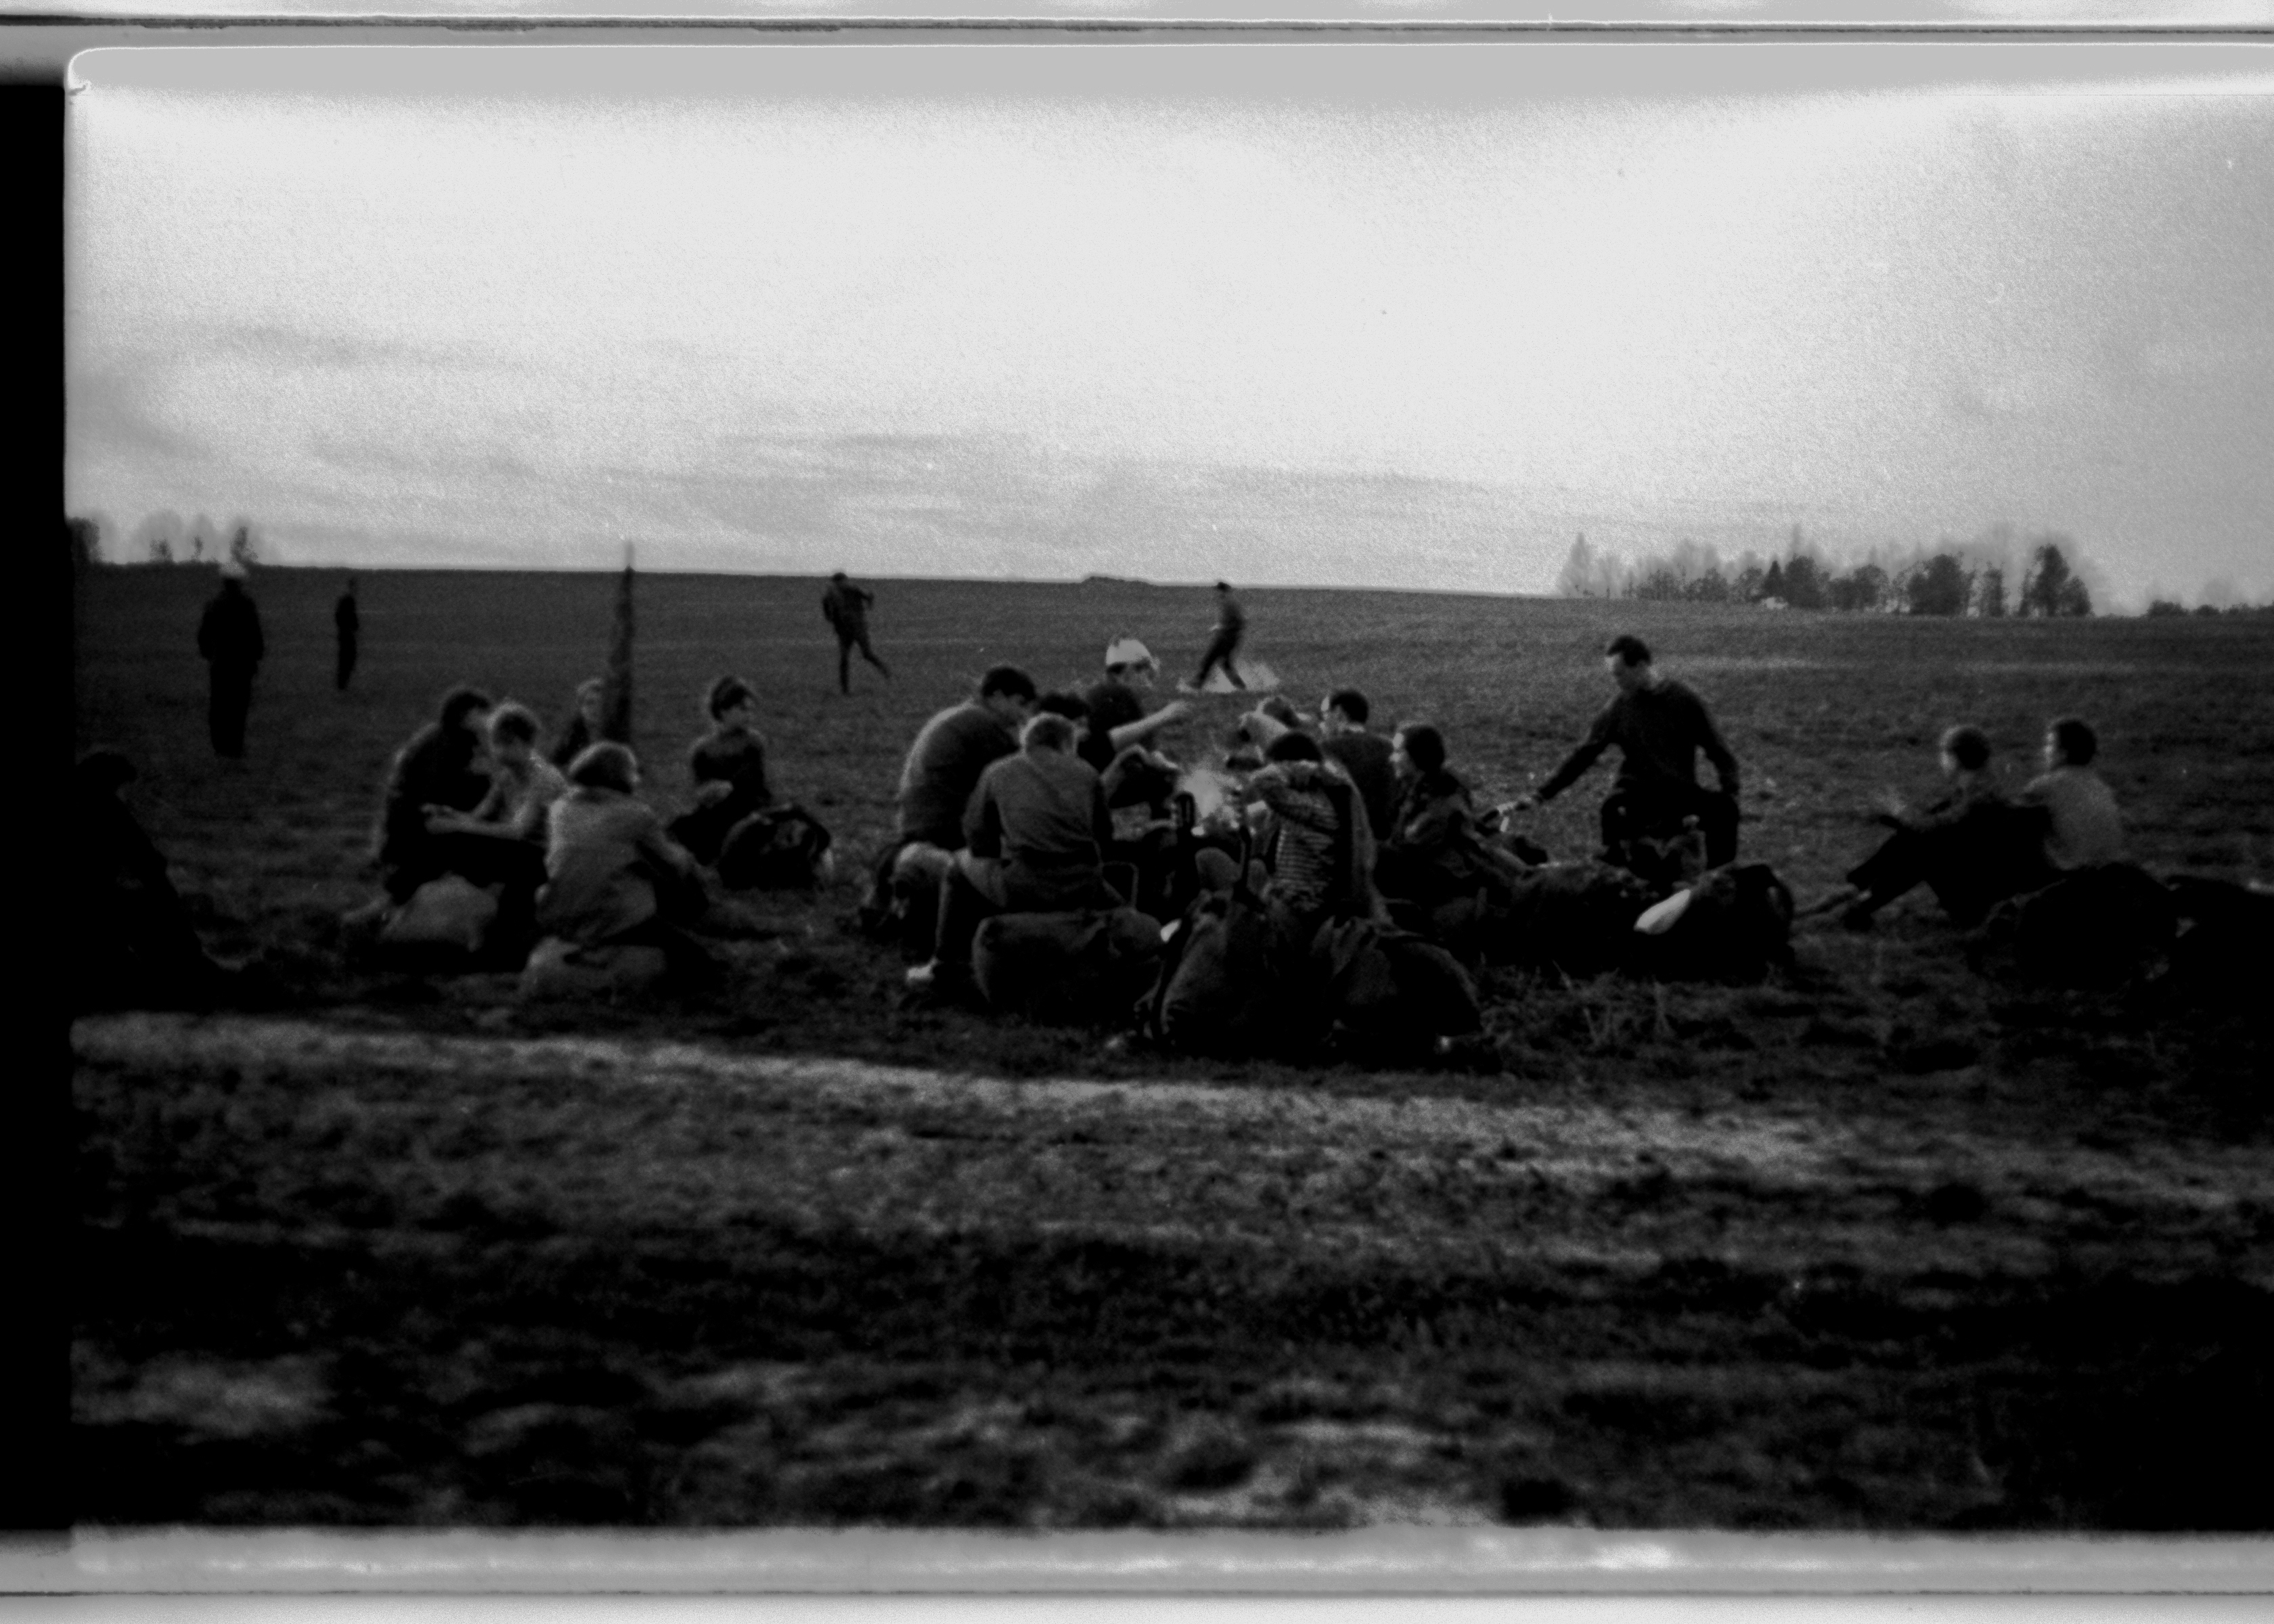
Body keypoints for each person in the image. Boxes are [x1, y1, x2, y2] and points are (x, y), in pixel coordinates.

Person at [908, 711, 1122, 994]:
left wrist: (1003, 852)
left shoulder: (999, 770)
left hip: (1026, 884)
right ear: (1067, 744)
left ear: (1027, 742)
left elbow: (976, 837)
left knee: (958, 865)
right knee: (1123, 912)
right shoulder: (1087, 773)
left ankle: (944, 966)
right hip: (1084, 883)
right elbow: (1104, 836)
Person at [1515, 634, 1742, 868]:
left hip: (1679, 794)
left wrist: (1731, 790)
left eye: (1620, 674)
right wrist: (1541, 795)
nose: (1616, 682)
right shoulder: (1619, 707)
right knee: (1614, 809)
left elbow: (1719, 750)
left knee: (1725, 810)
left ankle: (1720, 878)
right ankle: (1618, 870)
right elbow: (1584, 754)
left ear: (1641, 666)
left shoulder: (1685, 701)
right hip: (1637, 795)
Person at [1811, 725, 2050, 930]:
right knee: (1916, 840)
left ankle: (1859, 900)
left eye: (1943, 754)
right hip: (1983, 887)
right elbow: (1931, 824)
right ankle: (1859, 898)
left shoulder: (1979, 798)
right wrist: (1895, 818)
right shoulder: (1979, 789)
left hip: (1978, 902)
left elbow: (1932, 828)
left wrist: (1899, 812)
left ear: (1955, 758)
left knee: (1922, 849)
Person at [70, 749, 238, 1010]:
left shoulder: (97, 806)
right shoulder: (107, 809)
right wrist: (165, 894)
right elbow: (145, 860)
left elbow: (144, 860)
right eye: (117, 785)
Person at [535, 742, 710, 976]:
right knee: (698, 959)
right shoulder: (636, 814)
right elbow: (674, 862)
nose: (637, 780)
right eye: (634, 772)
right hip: (612, 918)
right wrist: (690, 861)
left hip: (559, 912)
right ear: (622, 776)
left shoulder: (559, 809)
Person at [417, 702, 569, 947]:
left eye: (508, 743)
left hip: (546, 858)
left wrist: (457, 827)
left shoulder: (543, 778)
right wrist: (449, 815)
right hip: (522, 852)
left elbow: (518, 831)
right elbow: (479, 816)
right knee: (445, 836)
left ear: (528, 743)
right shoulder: (508, 775)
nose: (500, 751)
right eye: (496, 743)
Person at [893, 665, 1040, 851]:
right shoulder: (982, 723)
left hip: (916, 823)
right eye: (1021, 704)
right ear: (997, 696)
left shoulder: (960, 716)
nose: (1024, 715)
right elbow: (1017, 780)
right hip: (945, 829)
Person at [374, 685, 497, 902]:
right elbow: (432, 796)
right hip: (415, 834)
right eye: (483, 714)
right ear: (466, 716)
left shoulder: (444, 737)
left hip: (411, 828)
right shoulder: (445, 746)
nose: (490, 720)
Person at [1240, 731, 1371, 931]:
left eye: (1274, 764)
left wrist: (1305, 768)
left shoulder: (1313, 806)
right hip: (1292, 897)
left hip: (1300, 908)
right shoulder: (1314, 803)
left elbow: (1262, 780)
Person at [1375, 722, 1511, 908]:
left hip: (1446, 881)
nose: (1391, 759)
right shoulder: (1414, 789)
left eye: (1398, 752)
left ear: (1417, 757)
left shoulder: (1441, 802)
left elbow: (1411, 850)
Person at [668, 676, 774, 863]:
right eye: (743, 709)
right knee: (681, 828)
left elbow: (754, 781)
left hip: (747, 805)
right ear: (723, 710)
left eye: (751, 710)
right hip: (714, 806)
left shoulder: (753, 742)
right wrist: (708, 792)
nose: (749, 716)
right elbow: (699, 785)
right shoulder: (703, 748)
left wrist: (729, 787)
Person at [2019, 716, 2127, 873]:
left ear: (2063, 754)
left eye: (2049, 744)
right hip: (2107, 870)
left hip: (2070, 874)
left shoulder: (2045, 786)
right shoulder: (2101, 787)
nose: (2044, 751)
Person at [1081, 639, 1195, 778]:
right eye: (1140, 668)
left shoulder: (1114, 695)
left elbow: (1151, 752)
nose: (1147, 674)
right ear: (1119, 674)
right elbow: (1105, 744)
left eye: (1147, 667)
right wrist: (1164, 716)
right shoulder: (1112, 693)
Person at [196, 560, 265, 759]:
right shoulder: (247, 605)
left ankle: (219, 745)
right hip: (242, 665)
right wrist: (257, 655)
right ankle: (235, 746)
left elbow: (203, 635)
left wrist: (209, 655)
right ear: (240, 582)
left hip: (220, 664)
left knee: (219, 705)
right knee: (238, 706)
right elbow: (255, 634)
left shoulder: (213, 605)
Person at [1317, 688, 1397, 840]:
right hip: (1384, 834)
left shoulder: (1327, 749)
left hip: (1345, 838)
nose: (1322, 722)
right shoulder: (1389, 747)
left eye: (1324, 714)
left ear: (1339, 713)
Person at [821, 572, 892, 694]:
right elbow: (869, 596)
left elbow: (869, 596)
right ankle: (845, 690)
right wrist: (868, 605)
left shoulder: (850, 590)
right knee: (849, 657)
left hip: (853, 628)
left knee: (862, 654)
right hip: (850, 629)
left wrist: (833, 617)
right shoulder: (839, 592)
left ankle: (885, 672)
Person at [1189, 581, 1247, 692]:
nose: (1215, 593)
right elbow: (1232, 621)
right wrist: (1220, 626)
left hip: (1227, 639)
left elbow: (1240, 622)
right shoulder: (1227, 602)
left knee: (1209, 659)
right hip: (1228, 638)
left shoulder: (1229, 603)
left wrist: (1222, 627)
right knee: (1225, 663)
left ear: (1222, 591)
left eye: (1217, 591)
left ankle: (1197, 685)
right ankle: (1241, 687)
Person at [550, 677, 606, 771]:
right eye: (590, 703)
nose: (596, 708)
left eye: (602, 704)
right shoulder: (569, 739)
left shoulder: (617, 737)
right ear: (580, 707)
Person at [333, 578, 360, 692]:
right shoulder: (349, 600)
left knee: (346, 659)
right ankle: (342, 685)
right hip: (347, 634)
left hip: (344, 633)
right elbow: (351, 618)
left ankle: (342, 684)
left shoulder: (345, 600)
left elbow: (338, 616)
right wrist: (353, 627)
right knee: (348, 659)